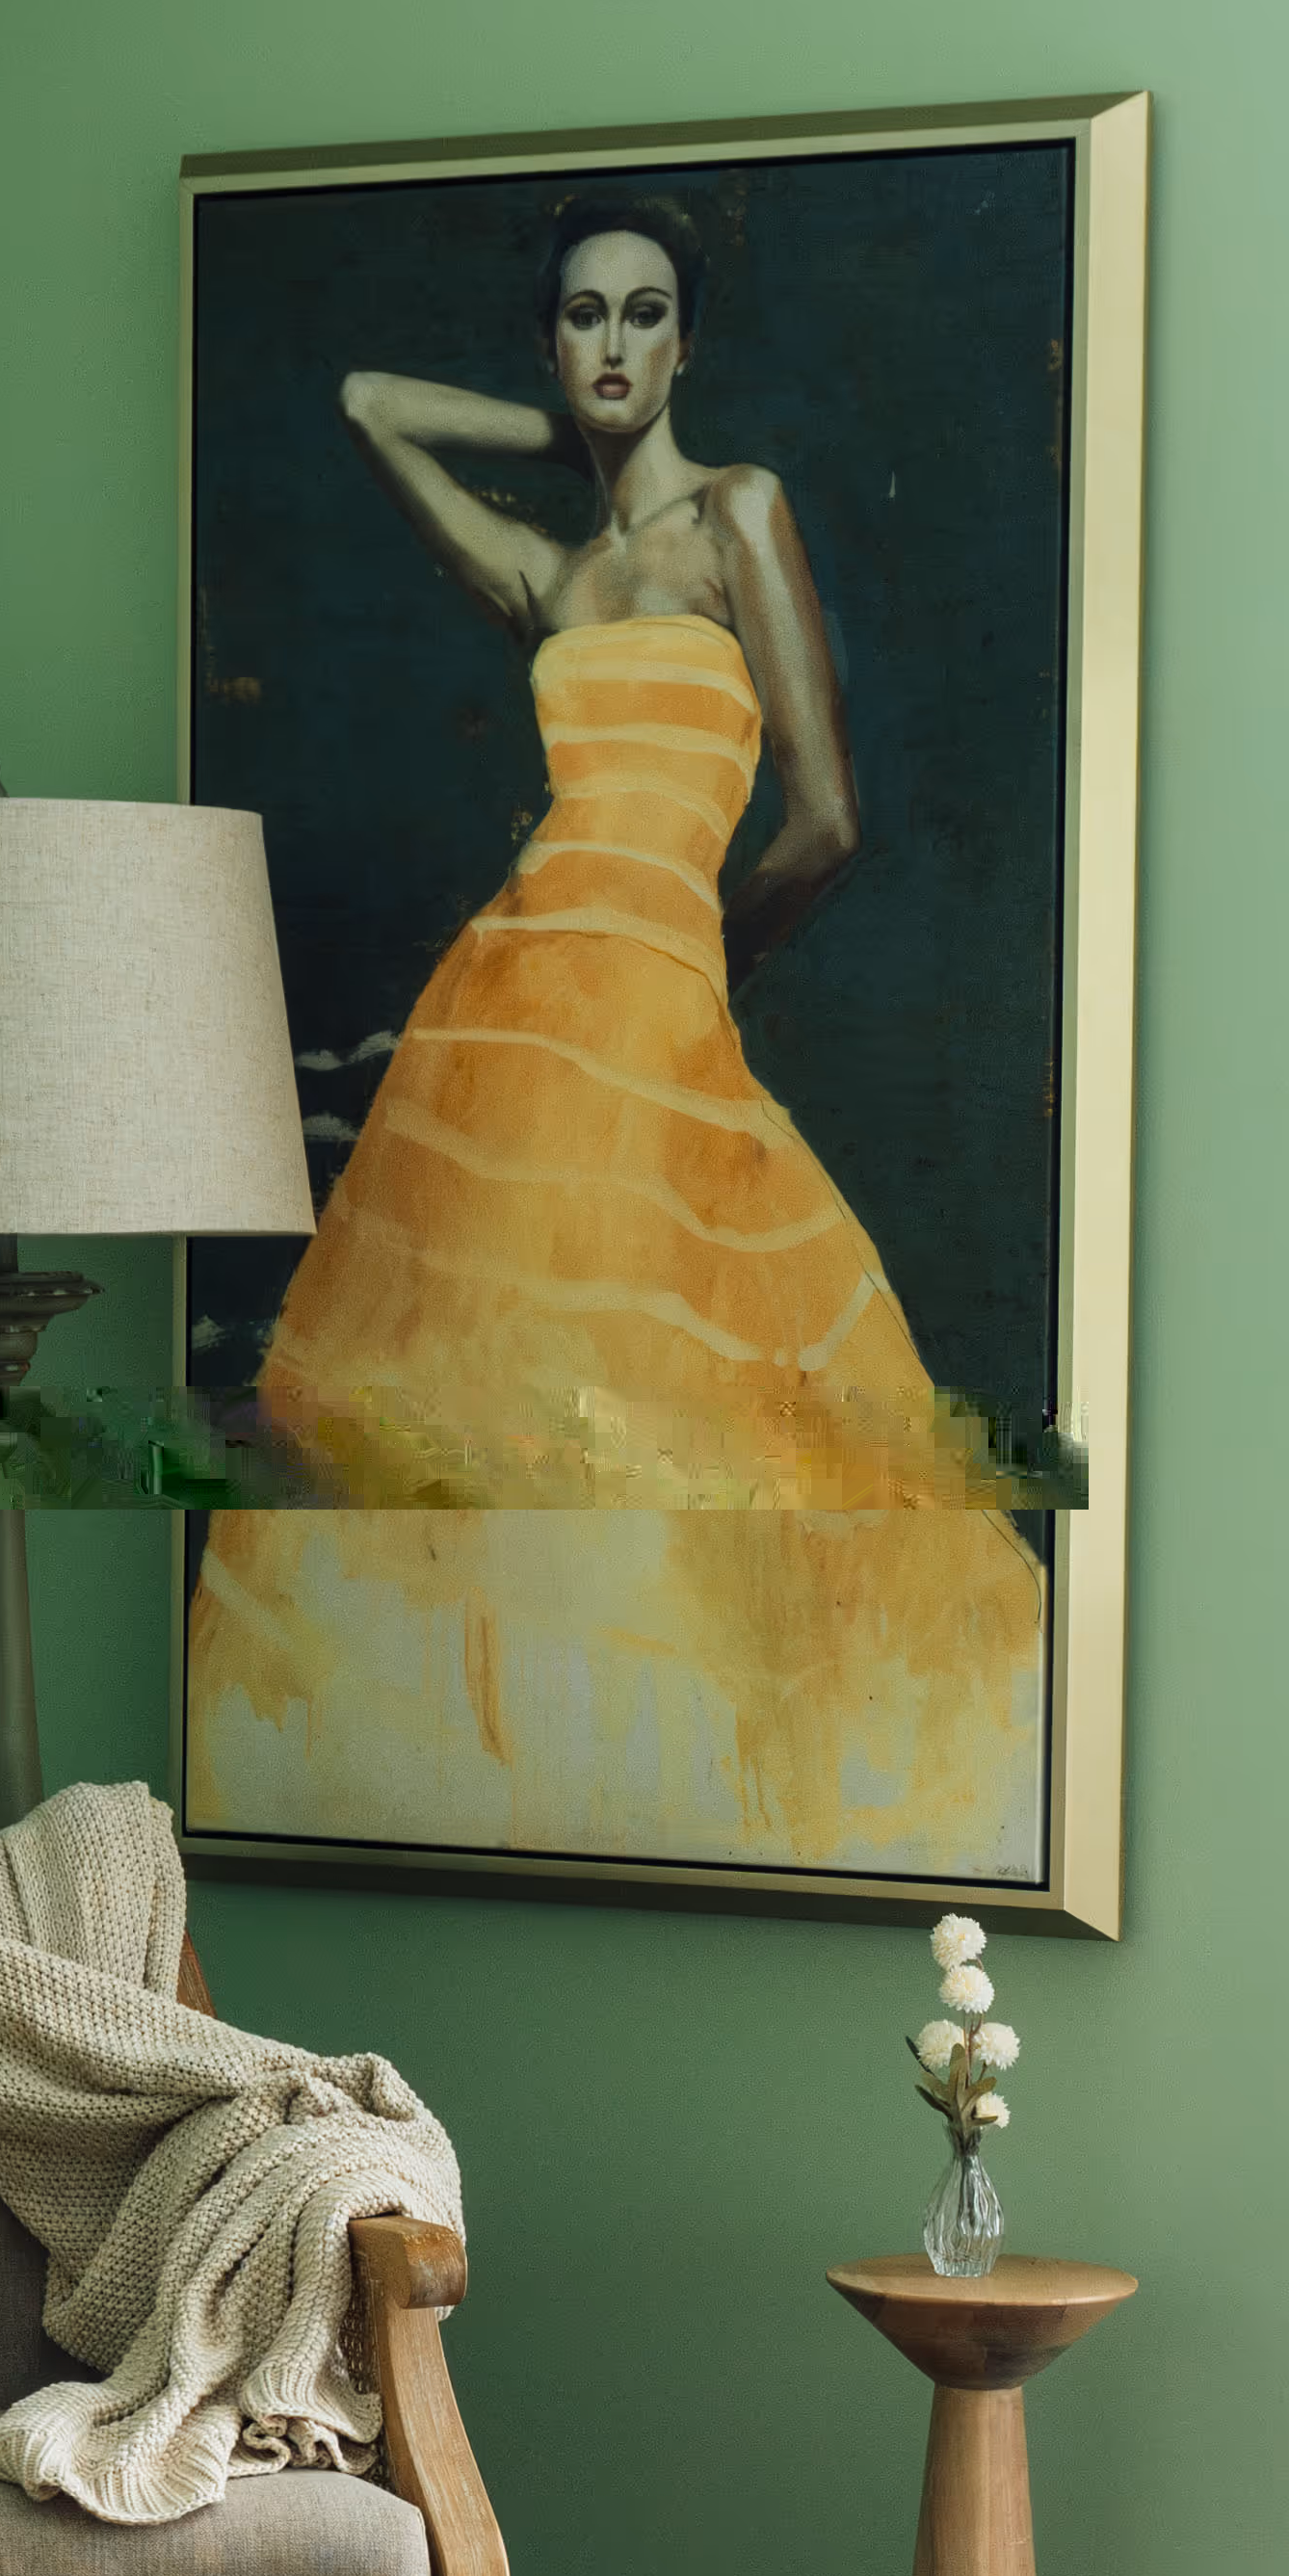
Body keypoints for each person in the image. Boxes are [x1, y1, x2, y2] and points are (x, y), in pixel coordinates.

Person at [183, 207, 1046, 1876]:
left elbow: (823, 819)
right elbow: (365, 400)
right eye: (581, 319)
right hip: (498, 1014)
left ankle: (681, 1813)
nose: (612, 346)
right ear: (547, 342)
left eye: (646, 318)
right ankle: (502, 1797)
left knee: (671, 1397)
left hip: (647, 1000)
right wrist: (563, 426)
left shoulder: (743, 515)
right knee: (480, 1397)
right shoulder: (546, 576)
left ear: (688, 346)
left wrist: (690, 968)